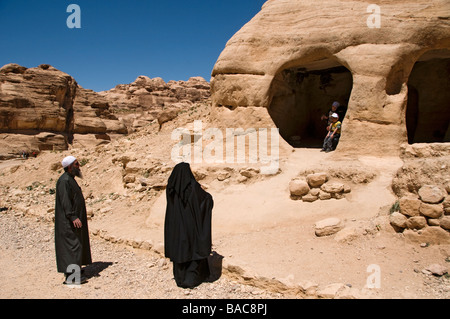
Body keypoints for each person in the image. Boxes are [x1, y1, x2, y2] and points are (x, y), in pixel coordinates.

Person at [164, 162, 213, 288]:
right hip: (190, 227)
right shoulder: (192, 187)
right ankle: (191, 279)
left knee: (180, 250)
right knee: (192, 249)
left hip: (175, 227)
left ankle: (180, 279)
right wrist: (205, 193)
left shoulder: (171, 187)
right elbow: (206, 201)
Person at [54, 155, 92, 285]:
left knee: (76, 244)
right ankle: (72, 277)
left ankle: (75, 270)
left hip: (72, 219)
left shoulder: (70, 179)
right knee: (71, 246)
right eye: (76, 164)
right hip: (67, 222)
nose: (79, 166)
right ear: (70, 167)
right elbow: (65, 201)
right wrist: (73, 216)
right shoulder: (64, 181)